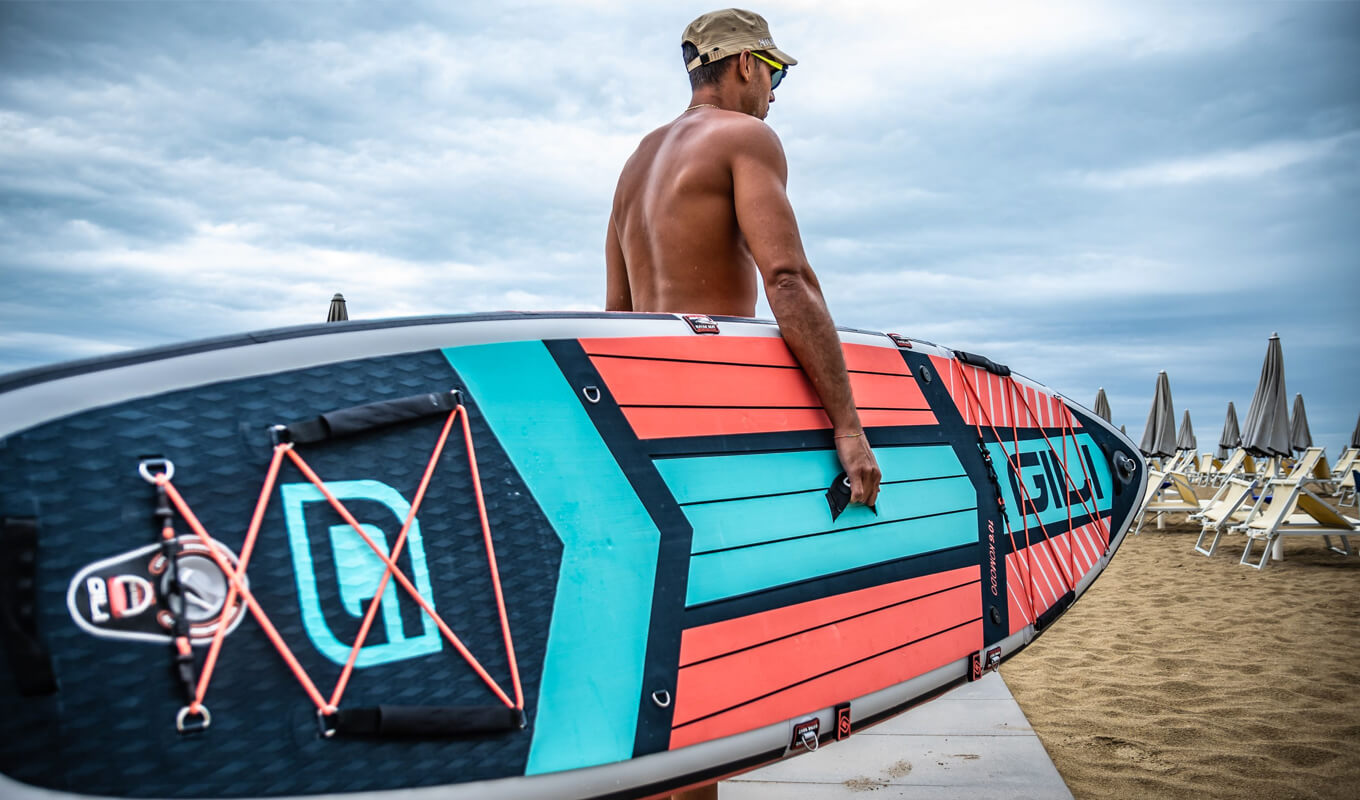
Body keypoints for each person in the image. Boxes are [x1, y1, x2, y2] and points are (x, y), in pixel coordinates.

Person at [605, 8, 881, 512]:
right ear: (746, 65)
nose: (773, 94)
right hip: (721, 393)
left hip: (650, 400)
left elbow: (617, 312)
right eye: (775, 74)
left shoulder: (635, 164)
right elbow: (787, 278)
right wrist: (849, 427)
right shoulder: (744, 136)